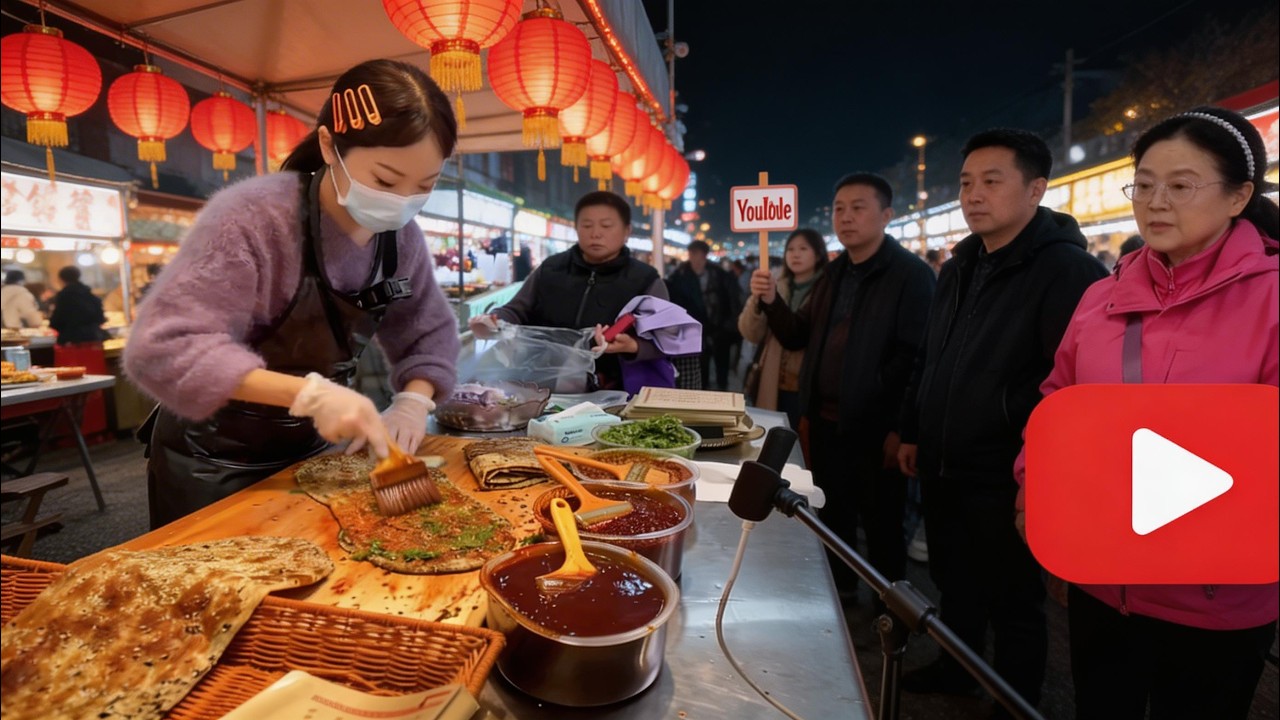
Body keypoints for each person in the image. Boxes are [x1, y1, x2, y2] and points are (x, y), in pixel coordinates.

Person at [1015, 106, 1278, 720]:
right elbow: (1058, 401)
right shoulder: (1100, 299)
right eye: (1146, 184)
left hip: (1217, 598)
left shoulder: (1270, 301)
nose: (1157, 202)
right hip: (1104, 585)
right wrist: (1035, 490)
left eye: (1182, 185)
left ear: (1240, 195)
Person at [125, 59, 461, 529]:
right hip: (213, 460)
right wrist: (310, 395)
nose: (403, 201)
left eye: (425, 186)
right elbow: (165, 348)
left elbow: (427, 331)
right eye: (385, 181)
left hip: (311, 454)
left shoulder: (402, 237)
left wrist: (414, 401)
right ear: (329, 145)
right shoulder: (255, 218)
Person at [896, 129, 1107, 710]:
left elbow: (1071, 387)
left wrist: (1033, 460)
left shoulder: (1068, 272)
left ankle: (1015, 696)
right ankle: (957, 666)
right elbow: (932, 357)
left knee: (1015, 599)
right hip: (944, 461)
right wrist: (915, 430)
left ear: (1036, 189)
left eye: (992, 181)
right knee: (955, 581)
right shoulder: (960, 265)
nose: (973, 195)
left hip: (1007, 471)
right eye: (966, 182)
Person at [749, 173, 935, 597]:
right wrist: (772, 301)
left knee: (883, 524)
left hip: (876, 429)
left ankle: (893, 612)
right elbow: (798, 335)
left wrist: (902, 430)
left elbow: (917, 359)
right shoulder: (834, 274)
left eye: (858, 208)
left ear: (886, 215)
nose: (846, 218)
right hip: (827, 423)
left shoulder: (910, 275)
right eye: (839, 209)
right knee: (834, 515)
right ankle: (842, 594)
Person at [469, 190, 668, 391]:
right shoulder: (551, 268)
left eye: (606, 226)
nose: (596, 233)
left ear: (627, 231)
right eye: (587, 225)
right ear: (577, 228)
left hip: (613, 392)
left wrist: (633, 346)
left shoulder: (645, 279)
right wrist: (494, 321)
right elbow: (516, 309)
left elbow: (667, 338)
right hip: (541, 387)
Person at [737, 228, 829, 428]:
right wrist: (758, 300)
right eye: (791, 249)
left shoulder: (827, 288)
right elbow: (751, 333)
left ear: (818, 253)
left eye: (803, 248)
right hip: (774, 379)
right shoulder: (775, 284)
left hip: (810, 382)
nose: (795, 254)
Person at [667, 240, 742, 390]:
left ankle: (722, 390)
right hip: (694, 331)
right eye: (692, 254)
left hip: (720, 329)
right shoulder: (679, 276)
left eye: (698, 254)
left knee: (722, 365)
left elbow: (731, 300)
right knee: (701, 368)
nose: (695, 258)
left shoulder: (719, 275)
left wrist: (729, 325)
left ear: (704, 255)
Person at [49, 266, 106, 344]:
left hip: (70, 341)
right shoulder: (89, 294)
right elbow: (101, 318)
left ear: (61, 279)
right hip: (93, 340)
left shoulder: (63, 296)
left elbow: (56, 321)